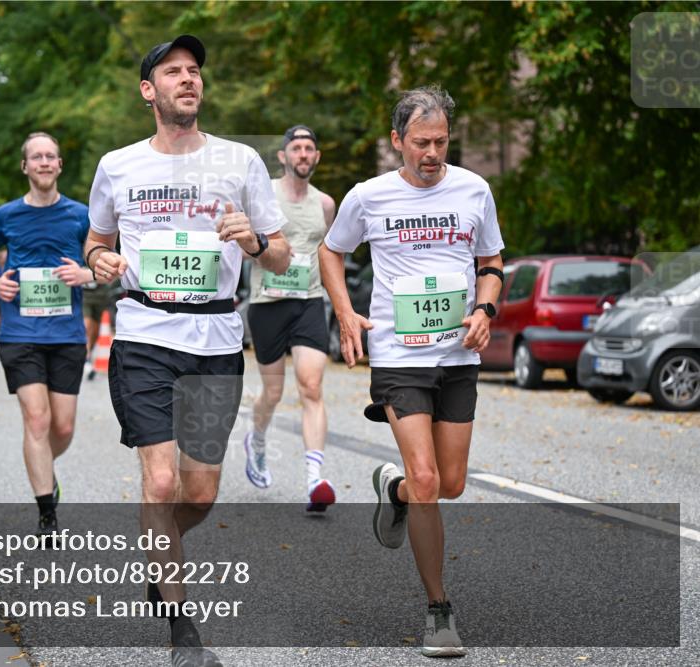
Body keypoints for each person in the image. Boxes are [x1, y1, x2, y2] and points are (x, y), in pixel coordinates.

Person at [85, 35, 290, 667]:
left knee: (198, 495)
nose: (187, 79)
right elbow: (94, 243)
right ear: (149, 90)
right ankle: (183, 634)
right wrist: (101, 260)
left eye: (194, 70)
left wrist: (255, 242)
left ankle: (159, 550)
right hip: (144, 336)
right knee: (161, 479)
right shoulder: (118, 166)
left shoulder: (240, 161)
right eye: (173, 71)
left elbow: (283, 257)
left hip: (216, 341)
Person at [320, 85, 505, 658]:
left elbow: (491, 261)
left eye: (441, 141)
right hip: (399, 357)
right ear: (397, 140)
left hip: (457, 355)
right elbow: (330, 251)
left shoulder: (473, 189)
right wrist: (345, 312)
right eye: (421, 142)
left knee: (449, 484)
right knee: (427, 479)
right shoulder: (368, 196)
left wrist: (485, 309)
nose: (432, 153)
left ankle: (393, 491)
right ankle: (438, 610)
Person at [0, 131, 94, 539]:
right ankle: (46, 513)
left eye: (50, 156)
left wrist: (85, 274)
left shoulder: (81, 215)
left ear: (59, 165)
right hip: (19, 331)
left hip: (67, 333)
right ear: (25, 166)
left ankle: (43, 468)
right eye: (36, 157)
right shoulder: (6, 216)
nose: (43, 162)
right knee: (37, 419)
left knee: (63, 428)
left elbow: (108, 260)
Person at [244, 124, 337, 511]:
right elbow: (245, 247)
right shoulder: (263, 194)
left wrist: (342, 306)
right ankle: (256, 439)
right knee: (273, 392)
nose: (303, 154)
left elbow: (328, 255)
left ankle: (315, 479)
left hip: (309, 302)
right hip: (268, 302)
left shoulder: (325, 204)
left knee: (311, 387)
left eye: (309, 149)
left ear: (316, 157)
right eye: (296, 148)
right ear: (283, 156)